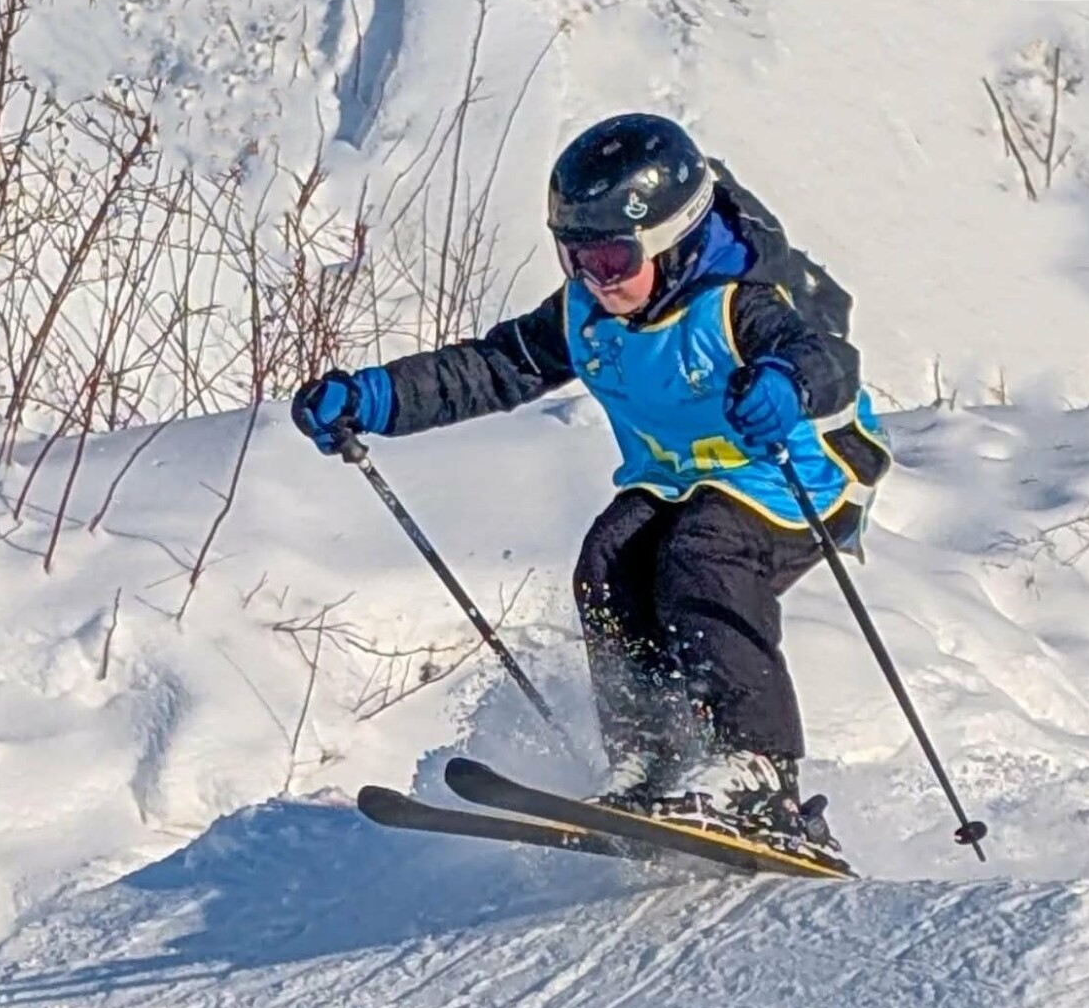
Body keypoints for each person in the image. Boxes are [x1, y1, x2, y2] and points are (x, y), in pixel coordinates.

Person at [292, 113, 891, 863]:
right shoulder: (587, 313)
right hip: (682, 480)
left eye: (612, 257)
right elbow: (494, 367)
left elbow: (825, 357)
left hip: (799, 476)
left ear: (672, 241)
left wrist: (785, 382)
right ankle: (650, 758)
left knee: (703, 555)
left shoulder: (741, 299)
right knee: (608, 561)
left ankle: (758, 774)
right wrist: (375, 398)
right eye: (576, 257)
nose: (595, 279)